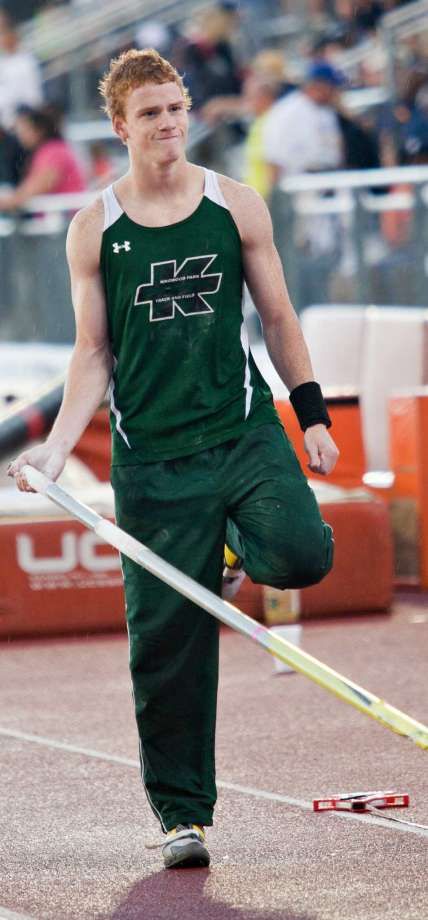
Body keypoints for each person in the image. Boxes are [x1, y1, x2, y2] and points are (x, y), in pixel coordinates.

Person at [8, 48, 338, 870]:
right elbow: (92, 357)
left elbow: (280, 315)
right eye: (150, 112)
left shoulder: (236, 204)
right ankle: (182, 816)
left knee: (302, 553)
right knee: (166, 645)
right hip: (152, 462)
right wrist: (51, 451)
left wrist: (314, 416)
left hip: (243, 429)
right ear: (120, 127)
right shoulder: (95, 227)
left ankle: (231, 552)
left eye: (177, 107)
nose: (169, 124)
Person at [0, 105, 86, 212]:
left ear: (39, 130)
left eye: (25, 129)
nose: (20, 134)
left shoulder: (53, 151)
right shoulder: (47, 151)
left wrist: (9, 202)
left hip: (64, 219)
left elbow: (37, 186)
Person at [0, 8, 43, 130]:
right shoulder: (2, 62)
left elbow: (33, 96)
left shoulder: (27, 61)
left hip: (23, 119)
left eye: (5, 34)